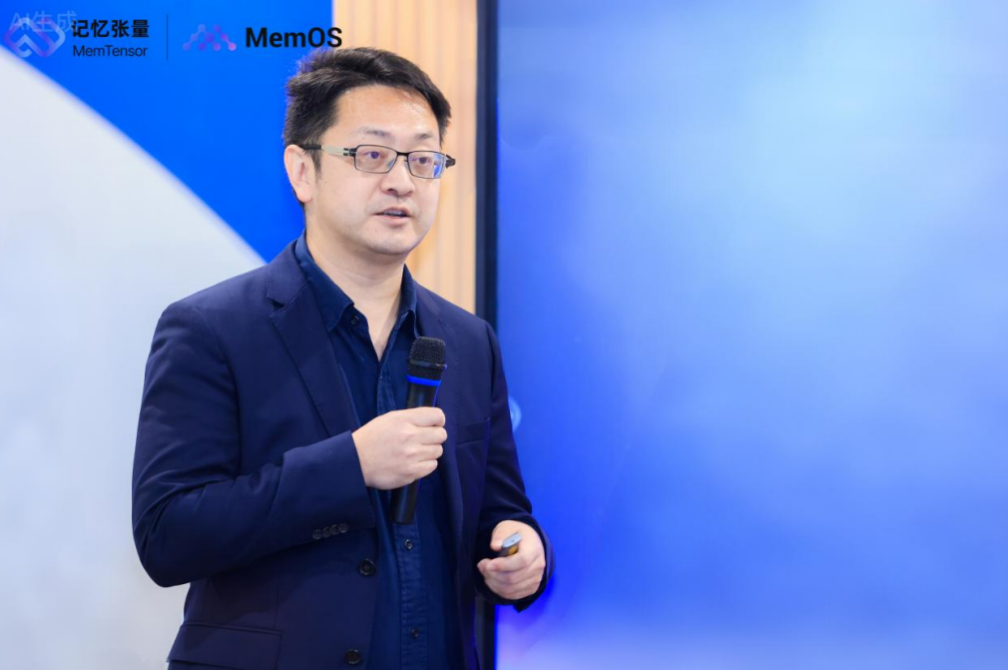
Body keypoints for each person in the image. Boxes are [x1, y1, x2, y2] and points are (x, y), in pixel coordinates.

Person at [131, 47, 554, 670]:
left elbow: (500, 511)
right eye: (373, 155)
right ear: (303, 171)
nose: (402, 181)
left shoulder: (468, 341)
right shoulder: (211, 329)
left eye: (422, 159)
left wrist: (521, 554)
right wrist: (350, 466)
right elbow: (168, 535)